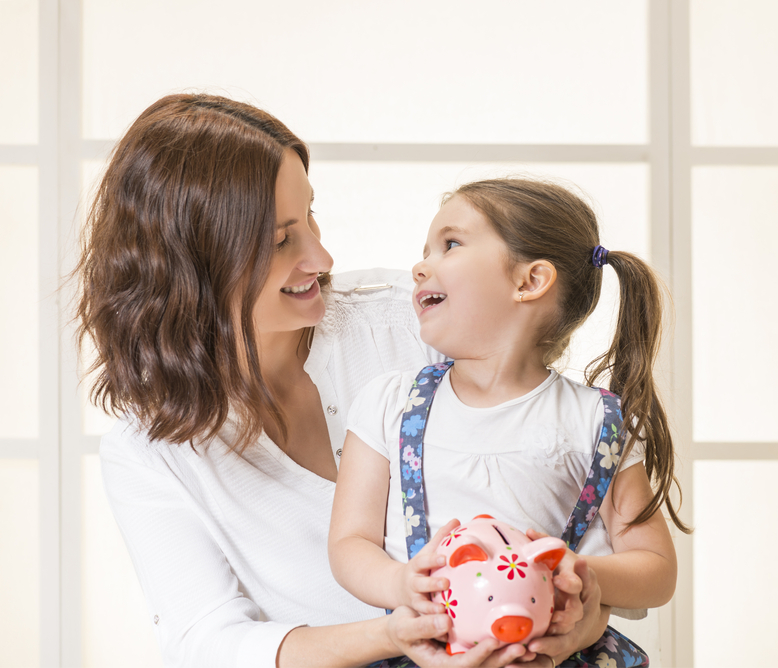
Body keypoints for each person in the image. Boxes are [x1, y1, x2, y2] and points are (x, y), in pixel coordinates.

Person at [75, 94, 606, 668]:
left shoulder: (415, 322)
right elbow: (207, 642)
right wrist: (397, 636)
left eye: (310, 215)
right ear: (191, 264)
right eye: (280, 241)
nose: (322, 257)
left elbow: (570, 508)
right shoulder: (151, 451)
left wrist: (575, 625)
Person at [328, 179, 692, 663]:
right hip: (424, 655)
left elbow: (657, 569)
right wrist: (400, 582)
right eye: (425, 251)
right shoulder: (388, 404)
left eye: (450, 244)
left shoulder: (595, 421)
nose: (420, 267)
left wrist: (577, 571)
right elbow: (349, 541)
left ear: (530, 281)